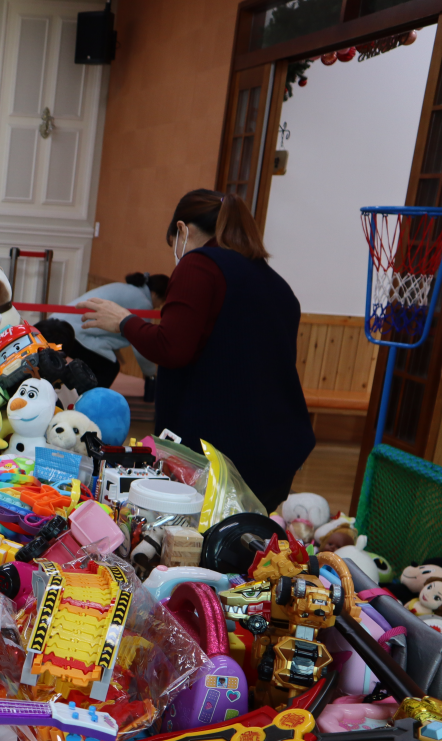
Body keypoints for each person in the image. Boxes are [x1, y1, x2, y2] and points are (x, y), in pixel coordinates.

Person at [80, 189, 314, 510]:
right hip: (276, 449)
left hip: (218, 454)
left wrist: (124, 321)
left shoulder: (199, 264)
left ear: (182, 230)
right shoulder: (277, 285)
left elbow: (172, 348)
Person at [48, 272, 168, 390]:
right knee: (110, 368)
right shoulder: (144, 303)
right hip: (71, 332)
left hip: (55, 324)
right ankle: (89, 401)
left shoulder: (127, 289)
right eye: (162, 302)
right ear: (155, 294)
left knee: (101, 363)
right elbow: (141, 344)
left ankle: (75, 392)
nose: (158, 306)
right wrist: (150, 373)